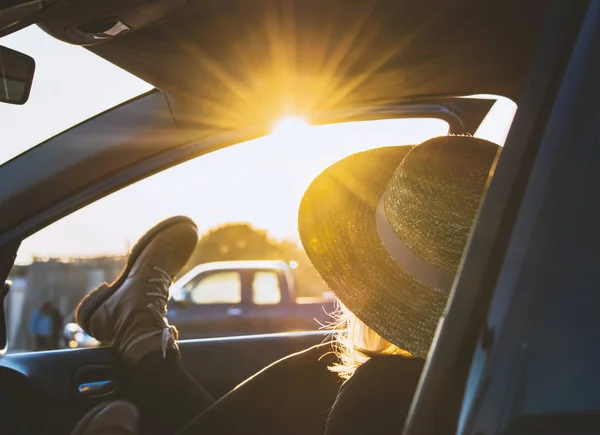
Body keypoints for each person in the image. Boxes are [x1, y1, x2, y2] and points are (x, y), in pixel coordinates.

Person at [71, 136, 500, 435]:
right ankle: (142, 336)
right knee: (312, 376)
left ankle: (141, 334)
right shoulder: (511, 383)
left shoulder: (384, 399)